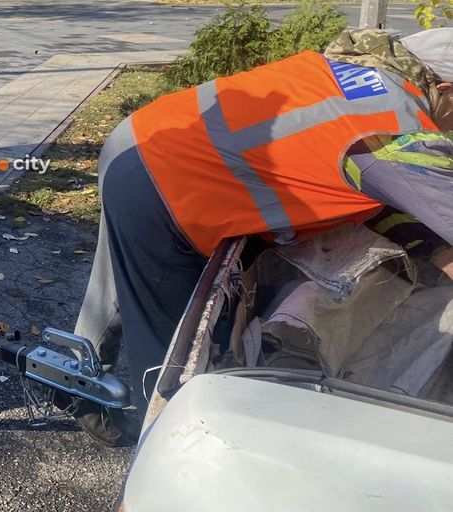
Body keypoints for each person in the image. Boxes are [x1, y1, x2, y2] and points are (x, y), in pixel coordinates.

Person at [73, 27, 453, 443]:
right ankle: (165, 457)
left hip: (147, 137)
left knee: (113, 290)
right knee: (172, 356)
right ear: (446, 90)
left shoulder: (360, 70)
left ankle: (74, 379)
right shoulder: (401, 128)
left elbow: (385, 200)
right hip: (167, 182)